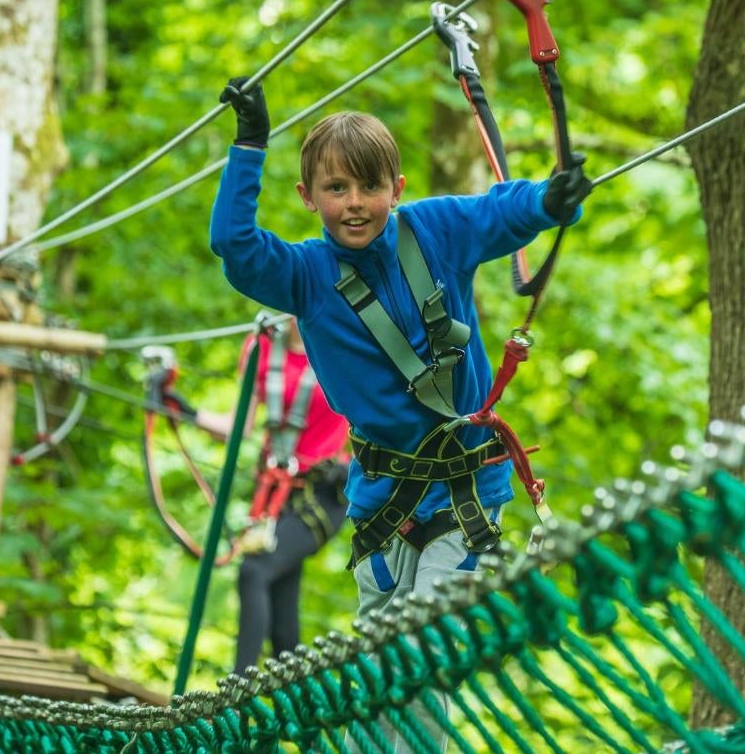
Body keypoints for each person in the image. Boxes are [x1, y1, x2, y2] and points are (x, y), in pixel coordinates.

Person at [208, 75, 590, 747]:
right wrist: (249, 145)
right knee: (379, 668)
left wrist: (550, 199)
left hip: (466, 492)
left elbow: (504, 212)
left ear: (398, 187)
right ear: (308, 197)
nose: (354, 204)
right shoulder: (303, 275)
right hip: (381, 503)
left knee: (418, 656)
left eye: (369, 187)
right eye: (336, 189)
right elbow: (236, 249)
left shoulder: (438, 230)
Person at [158, 318, 350, 676]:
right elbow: (238, 427)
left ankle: (238, 689)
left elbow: (374, 416)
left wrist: (355, 465)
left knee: (254, 570)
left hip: (323, 496)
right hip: (276, 496)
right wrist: (182, 409)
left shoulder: (345, 343)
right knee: (281, 619)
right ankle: (298, 705)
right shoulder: (261, 347)